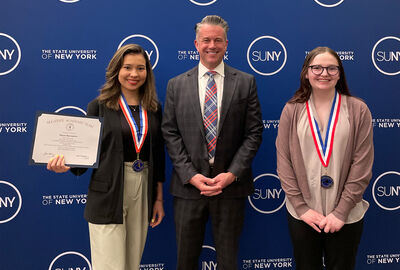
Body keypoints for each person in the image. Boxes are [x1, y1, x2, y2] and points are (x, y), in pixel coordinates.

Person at [47, 44, 165, 270]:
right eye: (127, 67)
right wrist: (66, 165)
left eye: (140, 68)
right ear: (116, 70)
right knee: (109, 265)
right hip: (108, 192)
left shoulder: (154, 108)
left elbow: (158, 156)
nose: (134, 74)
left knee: (132, 263)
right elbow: (83, 155)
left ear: (147, 73)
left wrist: (158, 200)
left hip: (143, 187)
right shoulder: (99, 106)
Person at [162, 15, 263, 270]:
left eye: (218, 40)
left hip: (229, 189)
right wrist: (190, 175)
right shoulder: (176, 85)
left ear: (226, 44)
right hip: (188, 189)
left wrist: (231, 174)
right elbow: (170, 133)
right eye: (206, 40)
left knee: (228, 261)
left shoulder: (246, 82)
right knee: (185, 261)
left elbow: (254, 133)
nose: (212, 45)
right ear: (196, 44)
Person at [276, 46, 374, 270]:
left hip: (346, 215)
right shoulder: (292, 110)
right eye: (317, 67)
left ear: (339, 73)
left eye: (331, 68)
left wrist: (341, 212)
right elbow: (284, 161)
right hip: (303, 215)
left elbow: (362, 164)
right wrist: (302, 208)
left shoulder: (358, 110)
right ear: (306, 72)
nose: (324, 73)